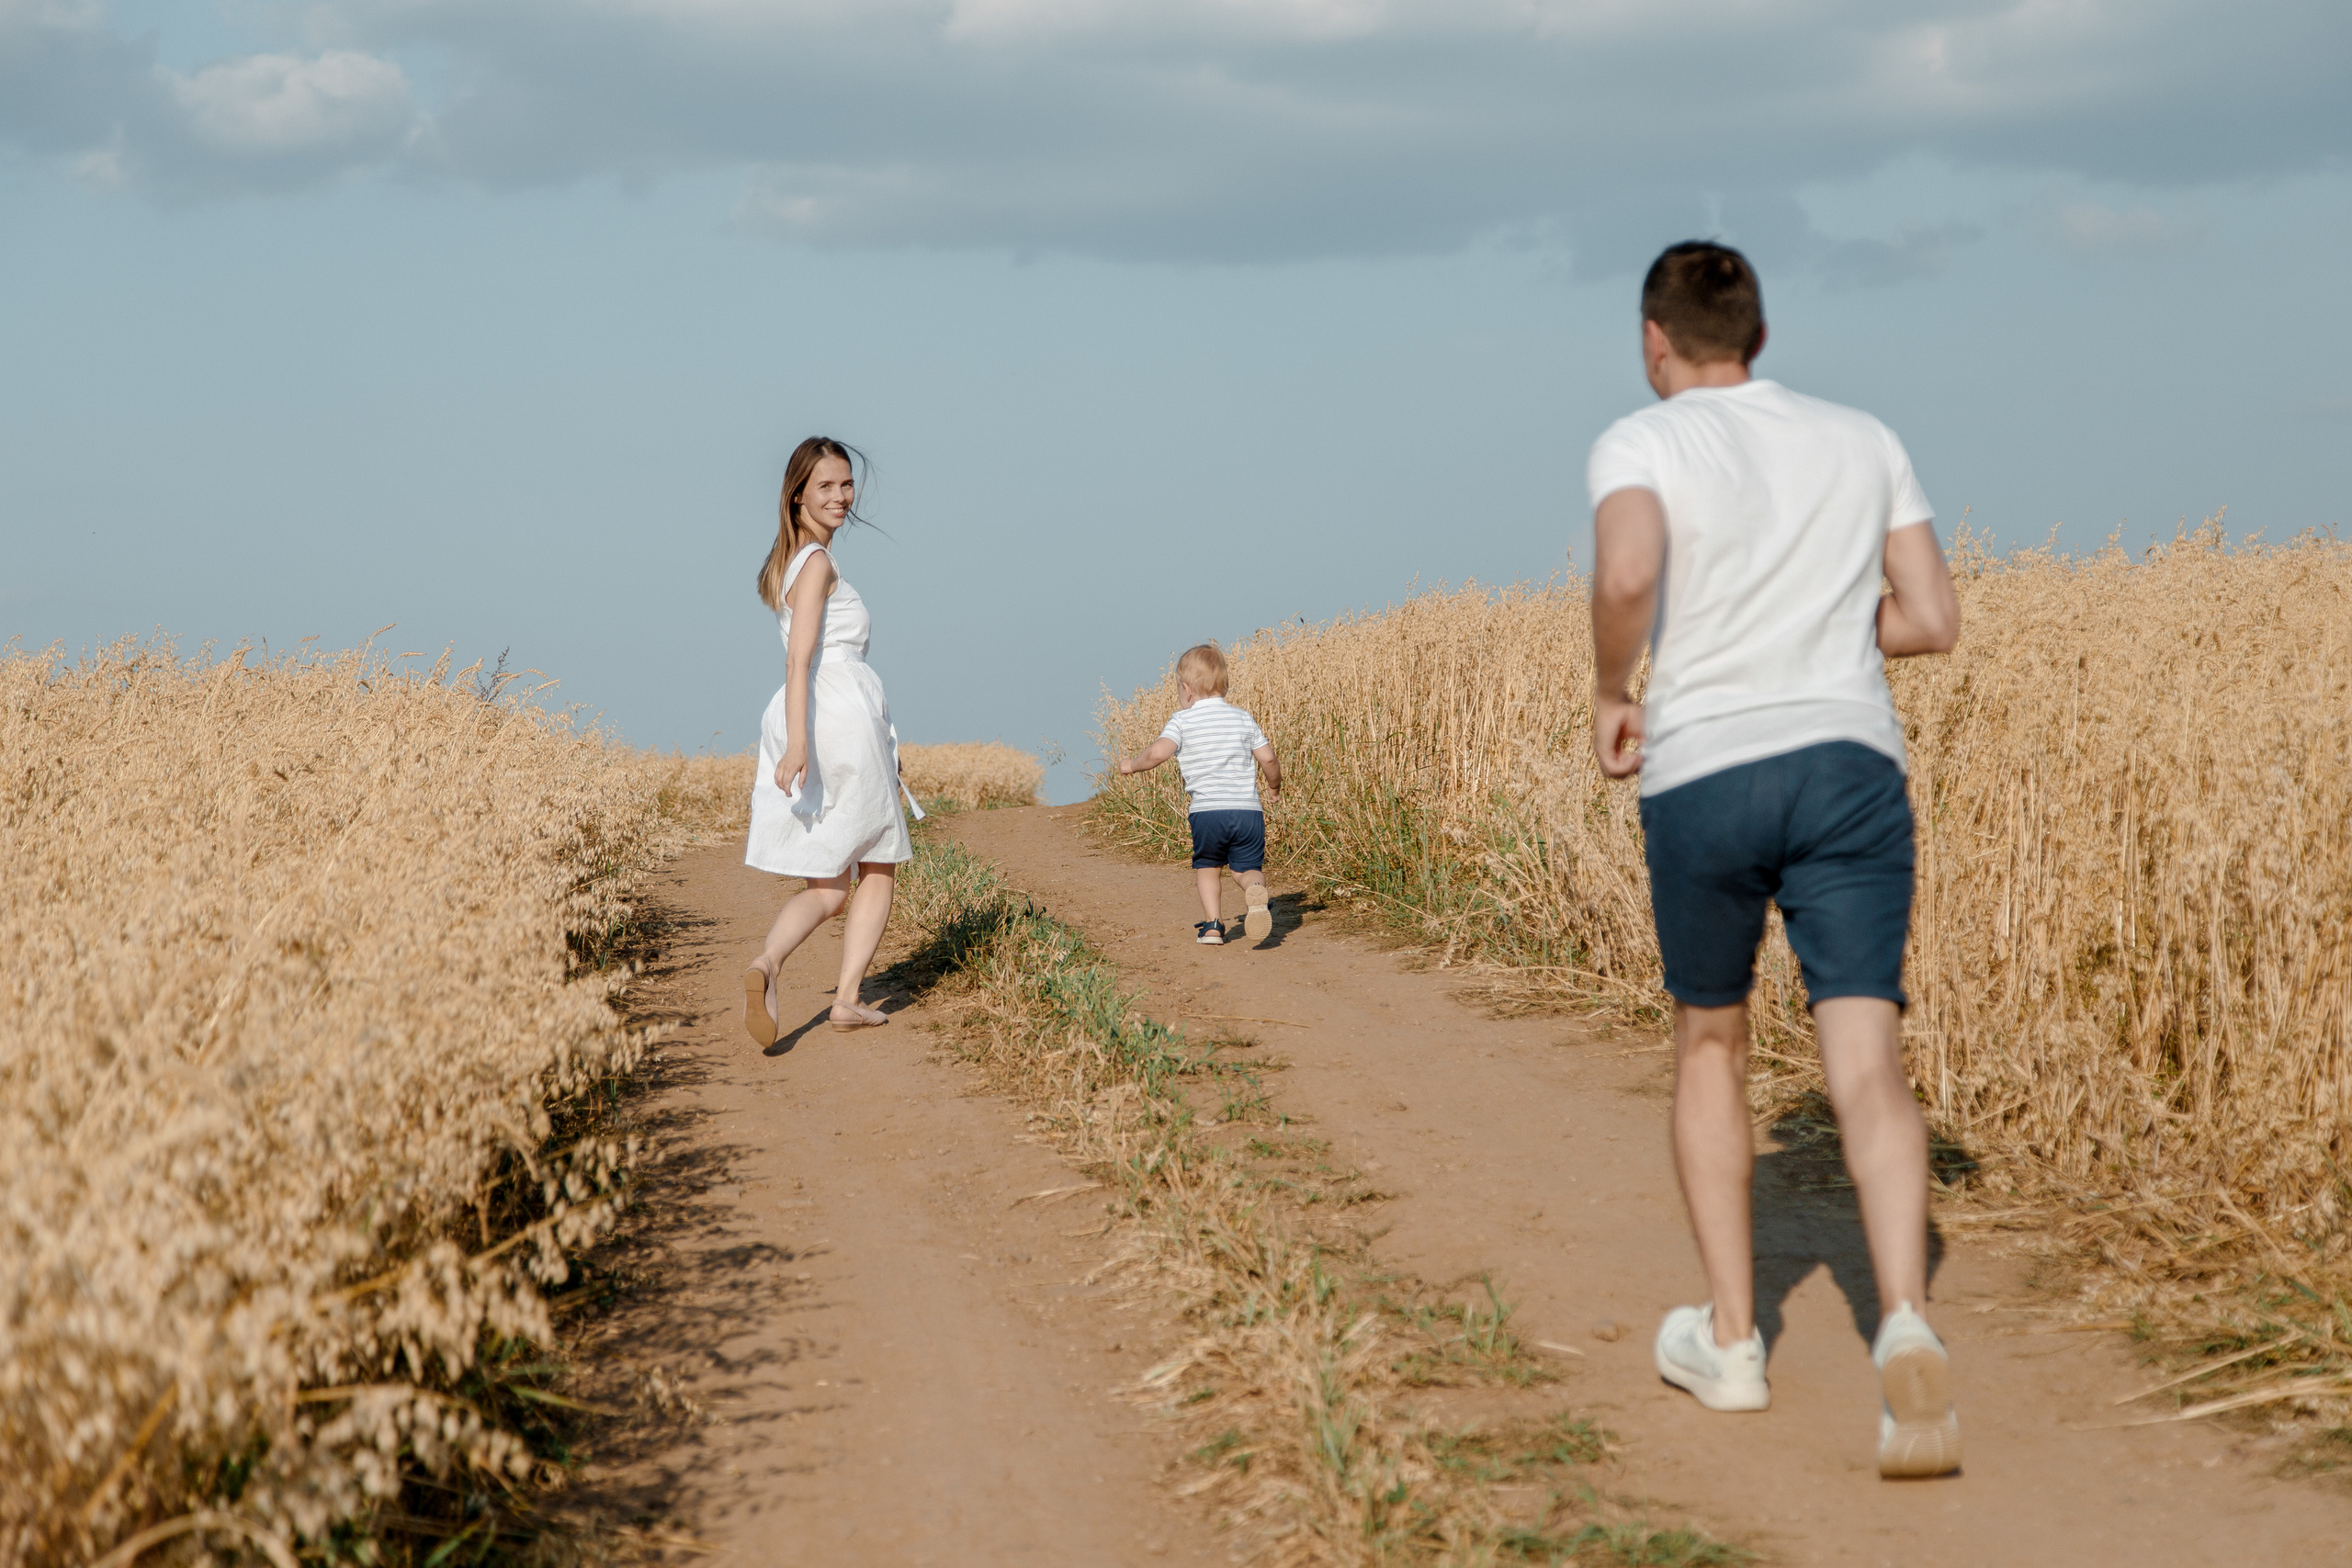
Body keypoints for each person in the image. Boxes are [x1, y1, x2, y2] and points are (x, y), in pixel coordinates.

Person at [1586, 242, 1964, 1478]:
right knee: (1866, 1055)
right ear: (1758, 332)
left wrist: (1612, 688)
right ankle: (1903, 1320)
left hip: (1708, 768)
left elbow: (1628, 570)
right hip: (1850, 766)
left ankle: (1735, 1341)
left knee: (1711, 1040)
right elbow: (1932, 618)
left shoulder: (1642, 442)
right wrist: (1822, 627)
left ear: (1654, 341)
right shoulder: (1864, 436)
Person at [741, 436, 923, 1043]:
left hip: (818, 711)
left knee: (828, 886)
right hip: (836, 711)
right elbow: (800, 660)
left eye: (846, 484)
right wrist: (798, 744)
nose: (841, 496)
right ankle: (846, 999)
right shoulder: (817, 562)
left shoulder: (790, 561)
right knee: (878, 858)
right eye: (825, 485)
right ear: (797, 494)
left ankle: (768, 963)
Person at [1115, 644, 1282, 946]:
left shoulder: (1182, 721)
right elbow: (1268, 759)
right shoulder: (1243, 718)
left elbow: (1157, 754)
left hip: (1207, 813)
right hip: (1248, 811)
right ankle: (1255, 890)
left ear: (1187, 689)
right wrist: (1274, 787)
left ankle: (1213, 927)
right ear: (1224, 685)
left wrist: (1132, 765)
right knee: (1246, 869)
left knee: (1208, 868)